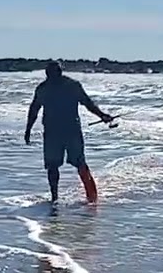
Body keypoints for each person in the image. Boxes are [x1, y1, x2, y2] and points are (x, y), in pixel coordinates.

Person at [23, 61, 113, 203]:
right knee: (54, 166)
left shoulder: (69, 86)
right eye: (51, 73)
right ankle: (55, 198)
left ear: (59, 72)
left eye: (56, 72)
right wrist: (28, 129)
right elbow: (34, 109)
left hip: (70, 131)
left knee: (79, 163)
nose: (53, 75)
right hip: (55, 132)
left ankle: (92, 198)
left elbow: (88, 103)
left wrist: (102, 116)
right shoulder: (44, 88)